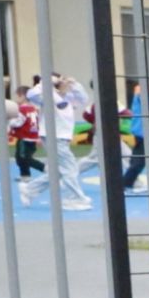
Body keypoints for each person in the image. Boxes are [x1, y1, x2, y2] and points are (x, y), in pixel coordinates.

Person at [21, 75, 94, 211]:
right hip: (53, 136)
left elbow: (84, 98)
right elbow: (31, 94)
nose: (64, 84)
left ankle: (30, 189)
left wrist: (74, 83)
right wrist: (45, 83)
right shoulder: (46, 97)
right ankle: (73, 198)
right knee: (70, 167)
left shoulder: (69, 97)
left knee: (59, 171)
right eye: (61, 82)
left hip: (62, 137)